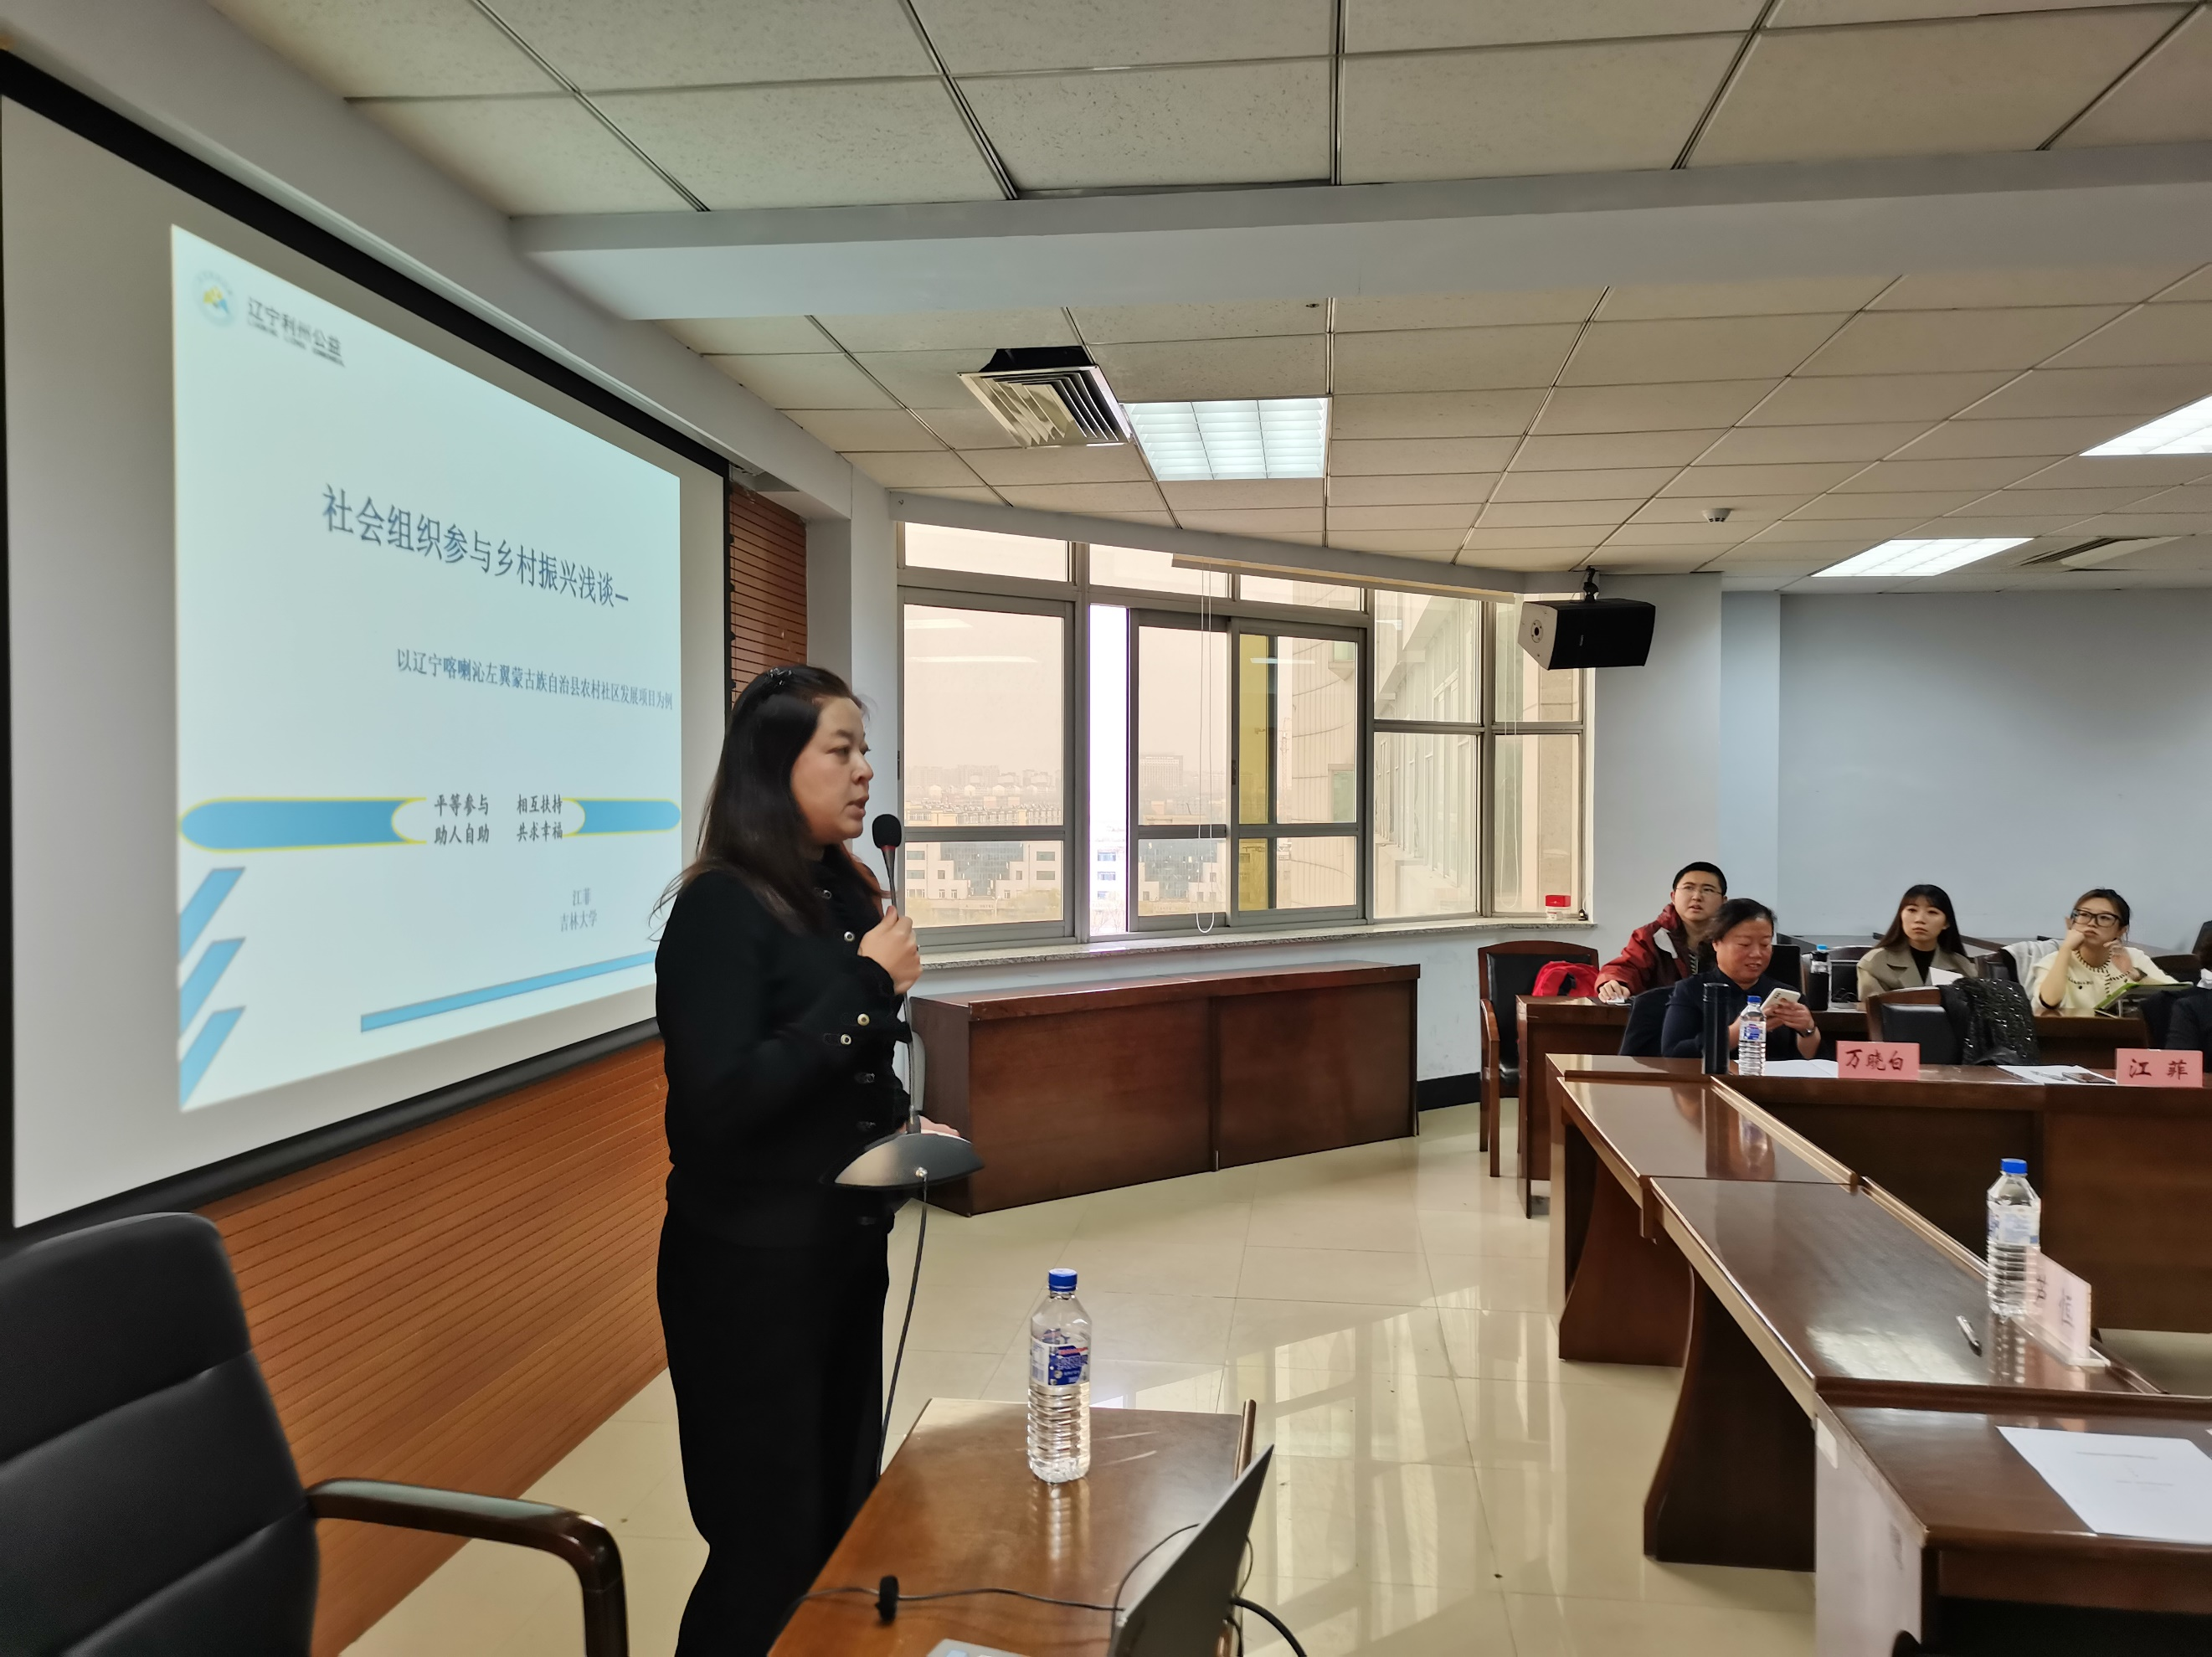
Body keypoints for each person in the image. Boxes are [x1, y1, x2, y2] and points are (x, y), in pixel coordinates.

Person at [653, 665, 932, 1656]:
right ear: (774, 767)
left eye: (865, 750)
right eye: (840, 749)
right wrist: (865, 986)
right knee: (765, 1544)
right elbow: (724, 1100)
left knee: (840, 1519)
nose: (864, 771)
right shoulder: (719, 909)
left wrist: (901, 1125)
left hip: (842, 1254)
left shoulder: (843, 893)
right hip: (749, 1274)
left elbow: (840, 1074)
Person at [1660, 898, 1822, 1064]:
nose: (1756, 953)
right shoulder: (1690, 990)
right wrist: (1738, 1032)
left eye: (1765, 944)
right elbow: (1674, 1054)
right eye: (1744, 944)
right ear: (1716, 943)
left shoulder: (1786, 995)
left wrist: (1808, 1030)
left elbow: (1811, 1062)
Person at [1597, 862, 1728, 1003]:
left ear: (1723, 901)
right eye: (1688, 888)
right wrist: (1616, 982)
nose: (1697, 897)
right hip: (1663, 1015)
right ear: (1673, 896)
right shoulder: (1652, 936)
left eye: (1708, 890)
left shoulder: (1732, 938)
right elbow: (1628, 967)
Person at [2031, 888, 2174, 1015]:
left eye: (2104, 918)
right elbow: (2049, 1001)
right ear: (2071, 922)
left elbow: (2178, 996)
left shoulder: (2134, 957)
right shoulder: (2054, 960)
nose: (2092, 923)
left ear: (2121, 930)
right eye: (2084, 915)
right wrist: (2065, 949)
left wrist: (2134, 974)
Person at [1856, 883, 1981, 997]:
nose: (1919, 919)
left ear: (1946, 923)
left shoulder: (1962, 966)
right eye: (1912, 910)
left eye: (1932, 912)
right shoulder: (1875, 963)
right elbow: (1873, 1009)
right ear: (1901, 916)